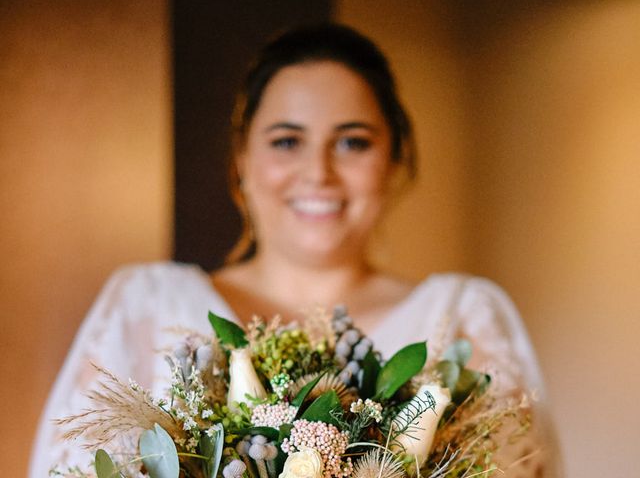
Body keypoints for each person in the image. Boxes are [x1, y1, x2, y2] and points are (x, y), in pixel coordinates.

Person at [30, 24, 562, 477]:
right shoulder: (146, 305)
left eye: (352, 142)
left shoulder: (462, 317)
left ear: (395, 159)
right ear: (242, 158)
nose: (318, 173)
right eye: (287, 141)